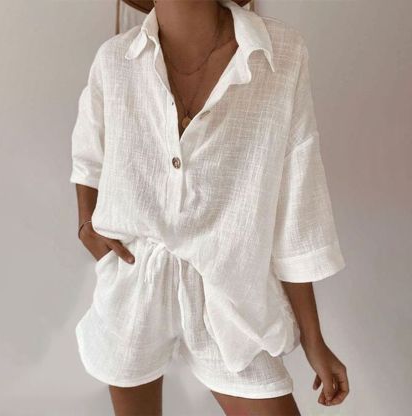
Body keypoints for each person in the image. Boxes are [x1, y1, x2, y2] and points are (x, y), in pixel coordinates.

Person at [70, 0, 350, 414]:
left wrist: (314, 339)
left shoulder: (280, 54)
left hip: (231, 295)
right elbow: (89, 156)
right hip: (133, 286)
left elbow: (295, 198)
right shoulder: (115, 60)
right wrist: (85, 223)